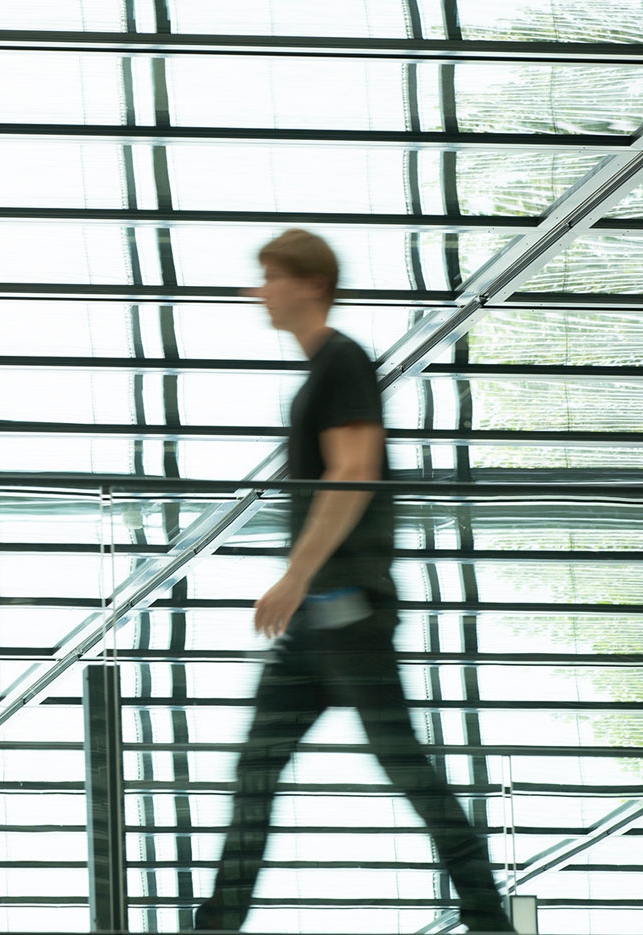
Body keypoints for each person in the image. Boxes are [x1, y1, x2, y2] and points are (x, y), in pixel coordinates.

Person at [192, 230, 513, 934]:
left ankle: (490, 920)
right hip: (316, 622)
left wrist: (294, 574)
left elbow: (354, 471)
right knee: (258, 770)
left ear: (308, 283)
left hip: (344, 614)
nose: (259, 291)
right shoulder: (319, 371)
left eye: (270, 276)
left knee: (408, 772)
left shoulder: (341, 362)